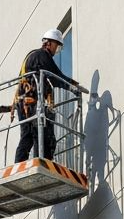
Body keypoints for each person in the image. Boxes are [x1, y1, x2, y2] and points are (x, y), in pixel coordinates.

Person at [13, 29, 86, 163]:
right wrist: (72, 86)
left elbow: (52, 77)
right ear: (48, 43)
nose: (56, 50)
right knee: (34, 135)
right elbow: (56, 76)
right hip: (28, 104)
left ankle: (39, 161)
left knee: (38, 135)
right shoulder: (41, 55)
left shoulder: (38, 56)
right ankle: (33, 163)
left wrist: (71, 84)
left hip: (29, 103)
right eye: (56, 46)